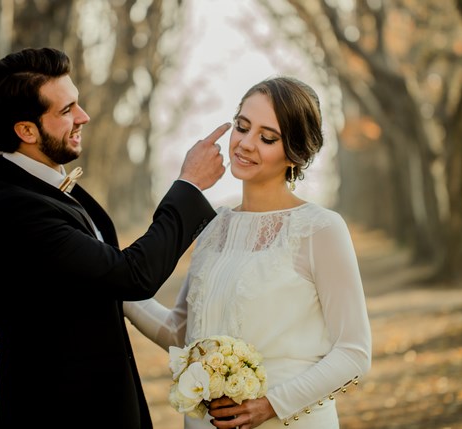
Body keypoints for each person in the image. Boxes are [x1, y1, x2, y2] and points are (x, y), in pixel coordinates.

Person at [0, 47, 231, 429]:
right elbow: (130, 276)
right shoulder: (14, 211)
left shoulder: (47, 188)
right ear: (25, 130)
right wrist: (189, 185)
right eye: (66, 110)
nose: (83, 116)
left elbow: (106, 286)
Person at [124, 76, 372, 429]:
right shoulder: (211, 227)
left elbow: (354, 352)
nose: (245, 144)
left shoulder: (320, 229)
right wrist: (112, 285)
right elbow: (180, 333)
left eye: (267, 138)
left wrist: (271, 405)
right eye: (242, 127)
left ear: (295, 153)